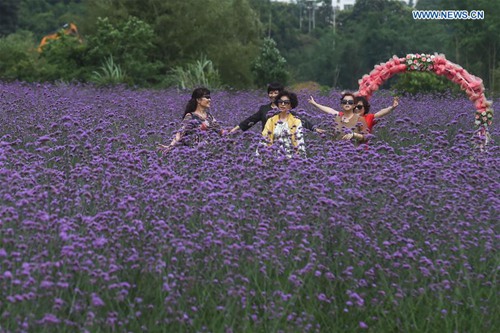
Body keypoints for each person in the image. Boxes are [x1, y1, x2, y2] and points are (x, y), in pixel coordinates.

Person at [230, 82, 322, 134]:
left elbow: (302, 120)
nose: (272, 95)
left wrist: (315, 129)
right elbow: (250, 121)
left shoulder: (285, 109)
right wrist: (234, 130)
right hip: (267, 142)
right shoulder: (264, 109)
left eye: (275, 92)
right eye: (270, 92)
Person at [157, 87, 224, 154]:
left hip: (207, 152)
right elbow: (180, 133)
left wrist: (233, 131)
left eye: (210, 97)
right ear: (198, 100)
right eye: (207, 97)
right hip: (193, 153)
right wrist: (170, 146)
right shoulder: (190, 116)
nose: (209, 100)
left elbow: (221, 132)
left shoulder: (210, 117)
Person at [260, 91, 306, 157]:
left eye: (286, 102)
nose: (283, 104)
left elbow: (300, 141)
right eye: (280, 102)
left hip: (292, 157)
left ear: (291, 105)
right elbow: (264, 138)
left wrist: (301, 158)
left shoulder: (296, 121)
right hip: (273, 156)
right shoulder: (271, 120)